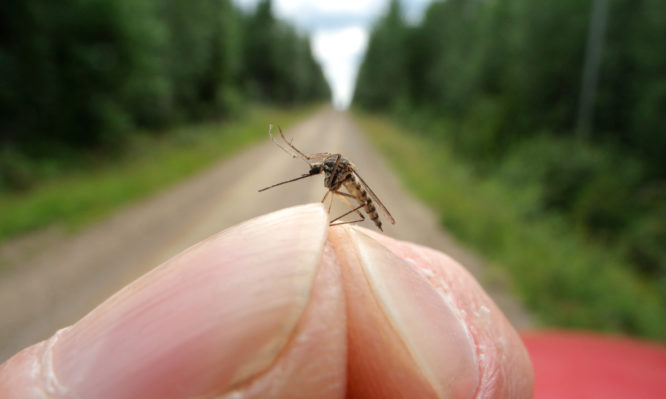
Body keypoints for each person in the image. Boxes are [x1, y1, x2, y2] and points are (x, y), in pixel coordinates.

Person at [0, 204, 533, 398]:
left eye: (328, 170)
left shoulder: (347, 181)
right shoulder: (332, 172)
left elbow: (342, 190)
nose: (329, 172)